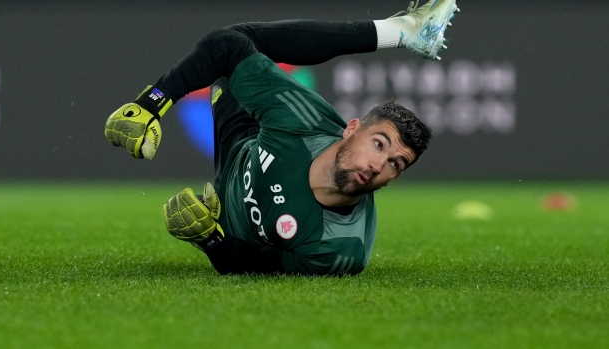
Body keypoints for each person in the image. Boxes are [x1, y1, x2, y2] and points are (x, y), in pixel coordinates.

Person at [104, 0, 460, 275]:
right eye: (379, 144)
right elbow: (225, 46)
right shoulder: (303, 120)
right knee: (241, 41)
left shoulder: (342, 249)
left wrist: (209, 239)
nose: (379, 164)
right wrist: (150, 106)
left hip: (229, 218)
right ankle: (400, 32)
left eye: (396, 164)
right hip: (241, 139)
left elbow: (253, 266)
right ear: (351, 129)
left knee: (246, 38)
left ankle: (402, 32)